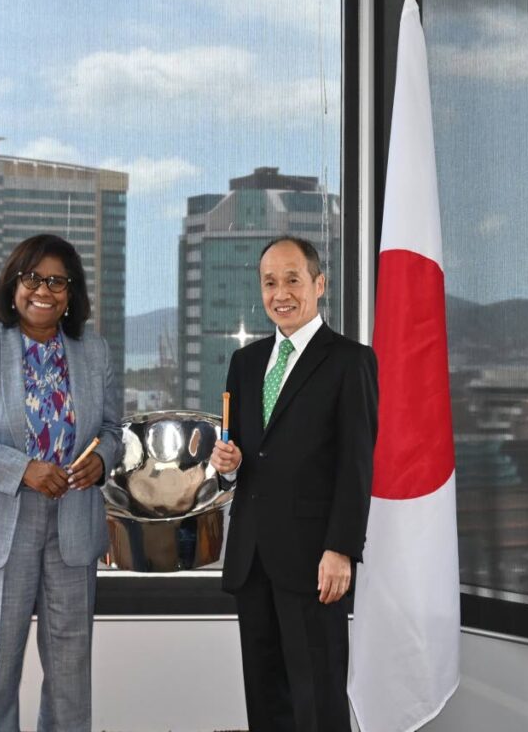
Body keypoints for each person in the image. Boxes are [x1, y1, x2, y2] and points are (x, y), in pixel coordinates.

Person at [0, 233, 121, 732]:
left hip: (74, 524)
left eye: (57, 281)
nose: (45, 289)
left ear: (71, 292)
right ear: (14, 285)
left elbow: (112, 431)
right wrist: (24, 470)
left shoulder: (93, 350)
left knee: (70, 670)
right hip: (0, 524)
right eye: (33, 278)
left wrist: (102, 460)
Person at [210, 236, 378, 732]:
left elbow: (356, 465)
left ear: (318, 284)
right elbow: (243, 456)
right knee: (266, 701)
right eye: (268, 282)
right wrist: (229, 463)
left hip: (314, 560)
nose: (279, 293)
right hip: (251, 556)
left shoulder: (351, 361)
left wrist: (341, 549)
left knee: (318, 700)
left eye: (292, 279)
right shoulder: (246, 363)